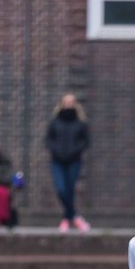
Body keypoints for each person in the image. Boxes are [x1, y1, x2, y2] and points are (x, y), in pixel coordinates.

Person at [46, 93, 91, 232]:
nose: (69, 104)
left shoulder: (80, 123)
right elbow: (49, 140)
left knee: (70, 189)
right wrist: (56, 150)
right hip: (57, 161)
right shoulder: (55, 122)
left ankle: (66, 219)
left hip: (74, 161)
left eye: (71, 101)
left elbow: (85, 141)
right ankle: (74, 216)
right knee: (61, 188)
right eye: (66, 101)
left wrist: (75, 151)